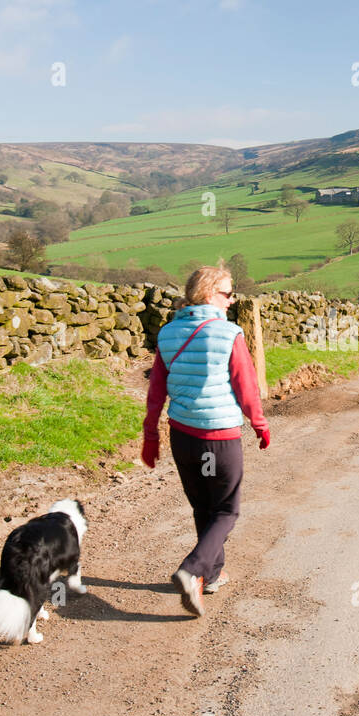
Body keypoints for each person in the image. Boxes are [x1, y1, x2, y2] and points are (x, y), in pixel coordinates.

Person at [141, 263, 270, 617]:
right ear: (209, 294)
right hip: (219, 439)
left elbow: (156, 390)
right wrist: (260, 425)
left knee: (203, 506)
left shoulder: (167, 334)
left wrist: (151, 434)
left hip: (183, 437)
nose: (231, 301)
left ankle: (211, 575)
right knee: (226, 509)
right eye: (228, 294)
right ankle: (192, 569)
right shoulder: (228, 334)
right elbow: (247, 389)